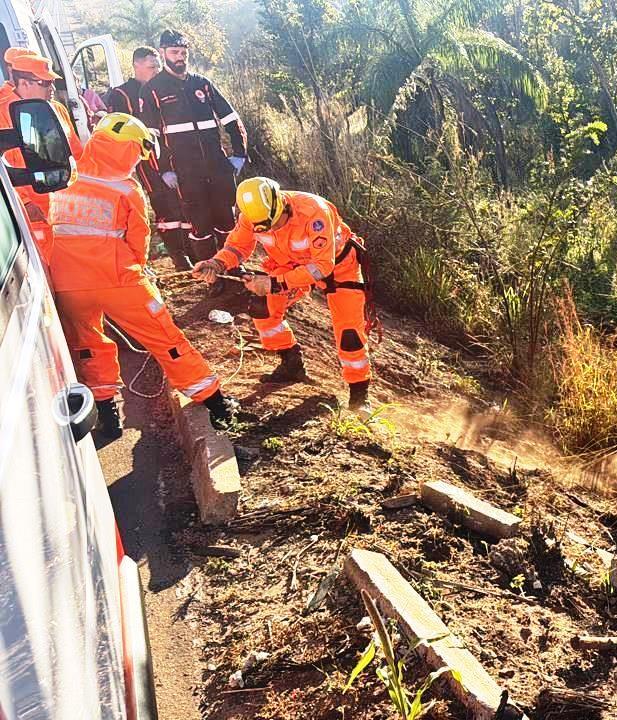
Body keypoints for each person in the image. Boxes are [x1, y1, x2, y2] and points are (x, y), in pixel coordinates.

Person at [47, 113, 234, 439]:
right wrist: (135, 273)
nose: (136, 162)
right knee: (166, 340)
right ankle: (216, 403)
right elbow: (138, 240)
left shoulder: (65, 177)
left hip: (67, 284)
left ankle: (106, 414)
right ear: (125, 149)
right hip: (119, 280)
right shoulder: (125, 188)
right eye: (136, 153)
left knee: (88, 346)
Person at [191, 177, 373, 414]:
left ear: (282, 205)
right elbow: (238, 246)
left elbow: (321, 267)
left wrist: (275, 283)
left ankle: (359, 395)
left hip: (339, 267)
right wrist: (216, 264)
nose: (272, 230)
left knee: (350, 333)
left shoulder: (314, 212)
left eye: (275, 224)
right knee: (262, 308)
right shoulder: (252, 216)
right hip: (289, 265)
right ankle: (291, 362)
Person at [140, 29, 247, 264]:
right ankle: (212, 278)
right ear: (163, 53)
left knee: (226, 219)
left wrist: (239, 154)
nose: (180, 57)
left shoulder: (202, 84)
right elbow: (149, 137)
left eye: (183, 52)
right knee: (200, 224)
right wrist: (163, 169)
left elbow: (231, 119)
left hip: (217, 165)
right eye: (174, 52)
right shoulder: (152, 90)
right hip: (185, 171)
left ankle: (233, 267)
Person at [107, 46, 192, 269]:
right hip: (147, 161)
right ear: (136, 66)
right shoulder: (121, 95)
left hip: (176, 156)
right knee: (164, 205)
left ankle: (191, 249)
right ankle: (177, 255)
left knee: (184, 203)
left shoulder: (165, 87)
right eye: (151, 67)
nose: (156, 71)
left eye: (158, 66)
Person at [0, 48, 84, 259]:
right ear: (24, 83)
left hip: (65, 208)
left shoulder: (57, 109)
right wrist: (25, 204)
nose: (53, 88)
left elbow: (77, 155)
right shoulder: (3, 113)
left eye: (52, 82)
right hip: (32, 214)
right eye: (45, 83)